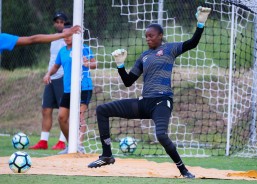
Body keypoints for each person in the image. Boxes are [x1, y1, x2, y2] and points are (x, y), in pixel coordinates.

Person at [87, 6, 211, 179]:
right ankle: (106, 155)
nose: (148, 38)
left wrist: (200, 24)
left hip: (162, 101)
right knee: (102, 110)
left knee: (160, 135)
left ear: (160, 36)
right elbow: (128, 82)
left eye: (151, 35)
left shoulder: (170, 49)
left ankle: (183, 170)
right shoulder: (144, 56)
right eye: (146, 36)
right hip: (144, 103)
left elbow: (193, 43)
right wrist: (120, 65)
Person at [43, 24, 97, 154]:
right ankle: (71, 145)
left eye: (69, 35)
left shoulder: (84, 49)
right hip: (68, 89)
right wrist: (48, 74)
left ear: (75, 35)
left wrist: (87, 63)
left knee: (79, 115)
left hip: (84, 87)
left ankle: (79, 144)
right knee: (62, 117)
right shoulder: (62, 51)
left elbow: (95, 64)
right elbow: (56, 66)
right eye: (65, 35)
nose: (67, 37)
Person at [29, 12, 69, 150]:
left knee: (64, 112)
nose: (59, 24)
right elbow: (53, 60)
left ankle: (62, 141)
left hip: (62, 78)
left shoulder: (70, 39)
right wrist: (48, 74)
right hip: (51, 78)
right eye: (57, 21)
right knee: (46, 109)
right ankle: (43, 141)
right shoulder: (52, 39)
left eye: (62, 22)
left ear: (66, 23)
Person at [0, 25, 80, 54]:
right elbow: (33, 39)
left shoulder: (2, 38)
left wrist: (64, 34)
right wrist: (64, 34)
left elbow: (33, 39)